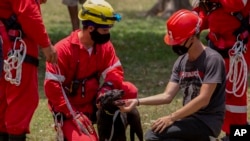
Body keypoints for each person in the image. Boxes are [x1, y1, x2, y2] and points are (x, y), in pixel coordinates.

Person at [118, 9, 226, 141]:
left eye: (178, 40)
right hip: (188, 119)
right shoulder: (181, 62)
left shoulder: (212, 59)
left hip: (207, 122)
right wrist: (137, 102)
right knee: (161, 135)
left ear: (192, 37)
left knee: (154, 136)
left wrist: (172, 117)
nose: (174, 45)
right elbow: (167, 96)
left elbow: (204, 99)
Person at [44, 0, 137, 140]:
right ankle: (66, 130)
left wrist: (105, 91)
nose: (108, 34)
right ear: (91, 28)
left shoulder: (104, 46)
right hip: (70, 108)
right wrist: (73, 114)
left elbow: (115, 71)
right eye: (105, 30)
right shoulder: (63, 49)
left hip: (94, 101)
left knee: (130, 90)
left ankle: (114, 127)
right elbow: (52, 87)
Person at [192, 0, 250, 140]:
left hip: (237, 48)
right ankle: (214, 129)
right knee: (213, 91)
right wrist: (191, 19)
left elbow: (236, 4)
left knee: (233, 96)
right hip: (217, 46)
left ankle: (238, 134)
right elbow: (205, 17)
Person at [0, 0, 57, 141]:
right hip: (14, 45)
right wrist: (46, 44)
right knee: (22, 98)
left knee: (2, 97)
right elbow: (28, 12)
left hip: (4, 40)